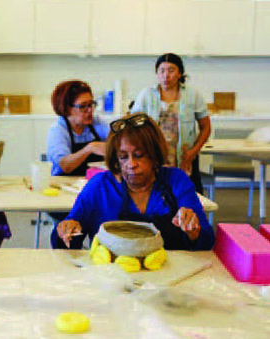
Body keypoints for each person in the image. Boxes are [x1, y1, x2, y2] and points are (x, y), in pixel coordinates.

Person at [51, 113, 215, 251]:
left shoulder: (176, 181)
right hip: (112, 280)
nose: (131, 164)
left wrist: (194, 230)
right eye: (123, 157)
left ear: (154, 154)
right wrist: (66, 231)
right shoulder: (99, 187)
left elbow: (207, 241)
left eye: (139, 155)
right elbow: (68, 244)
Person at [131, 53, 211, 194]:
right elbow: (132, 126)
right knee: (156, 196)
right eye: (162, 71)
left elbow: (206, 127)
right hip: (154, 156)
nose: (166, 75)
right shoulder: (146, 95)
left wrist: (194, 151)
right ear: (157, 73)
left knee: (189, 196)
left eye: (171, 70)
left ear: (180, 73)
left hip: (185, 156)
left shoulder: (193, 94)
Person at [47, 80, 110, 176]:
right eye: (83, 106)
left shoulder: (96, 122)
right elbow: (65, 165)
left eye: (91, 104)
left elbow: (117, 140)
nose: (89, 110)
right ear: (67, 108)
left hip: (90, 182)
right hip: (64, 184)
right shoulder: (58, 130)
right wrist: (89, 149)